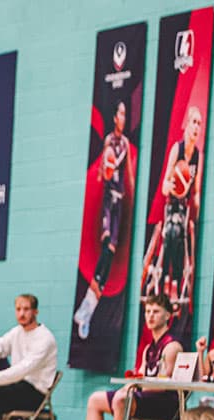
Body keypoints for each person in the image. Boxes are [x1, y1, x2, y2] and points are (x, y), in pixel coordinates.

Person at [55, 294, 181, 420]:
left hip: (164, 402)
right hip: (145, 396)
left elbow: (166, 385)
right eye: (147, 311)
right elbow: (141, 376)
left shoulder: (172, 346)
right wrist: (130, 385)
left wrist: (134, 386)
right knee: (95, 399)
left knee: (122, 399)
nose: (150, 316)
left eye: (156, 311)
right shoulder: (148, 348)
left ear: (168, 315)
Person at [73, 102, 135, 339]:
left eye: (125, 113)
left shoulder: (126, 144)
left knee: (109, 256)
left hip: (120, 202)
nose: (123, 117)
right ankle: (87, 306)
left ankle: (88, 309)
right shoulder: (109, 141)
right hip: (109, 200)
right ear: (114, 118)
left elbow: (129, 175)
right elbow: (102, 172)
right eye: (120, 112)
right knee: (107, 248)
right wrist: (105, 168)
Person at [141, 106, 203, 306]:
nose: (196, 127)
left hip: (185, 207)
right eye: (193, 122)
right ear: (186, 125)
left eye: (199, 124)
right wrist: (176, 187)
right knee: (173, 231)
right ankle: (169, 281)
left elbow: (197, 190)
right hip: (171, 205)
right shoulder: (177, 148)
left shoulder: (198, 156)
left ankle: (180, 282)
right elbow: (165, 186)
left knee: (185, 233)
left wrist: (197, 210)